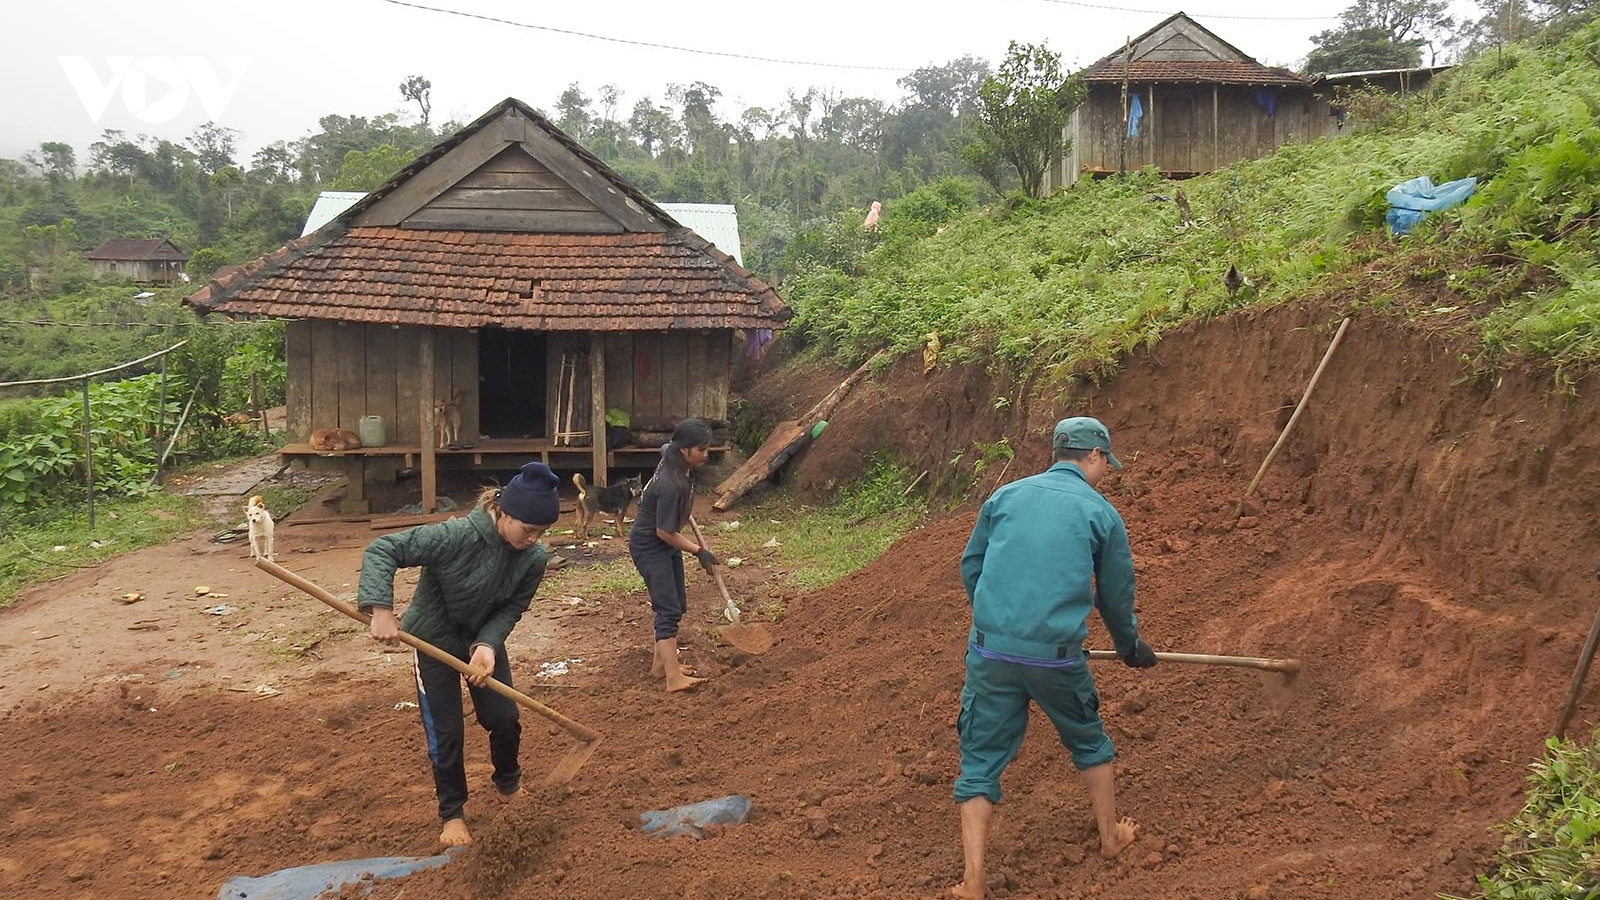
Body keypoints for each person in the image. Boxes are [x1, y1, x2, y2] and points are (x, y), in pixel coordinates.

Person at [950, 416, 1159, 900]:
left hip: (990, 650)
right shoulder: (1101, 513)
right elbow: (1114, 594)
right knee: (1088, 740)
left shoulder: (1005, 496)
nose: (1105, 470)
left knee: (979, 761)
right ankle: (1111, 838)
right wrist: (1130, 648)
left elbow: (972, 566)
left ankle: (974, 881)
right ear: (1094, 456)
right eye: (1106, 461)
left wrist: (997, 621)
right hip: (1056, 658)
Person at [356, 460, 560, 847]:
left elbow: (510, 609)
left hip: (481, 644)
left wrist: (486, 644)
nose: (533, 539)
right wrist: (381, 608)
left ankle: (509, 784)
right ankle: (452, 814)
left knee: (503, 717)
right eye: (528, 529)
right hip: (431, 643)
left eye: (541, 532)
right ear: (502, 511)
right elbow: (384, 548)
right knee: (446, 731)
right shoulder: (455, 536)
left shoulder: (533, 560)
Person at [629, 418, 719, 692]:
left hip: (664, 544)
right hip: (651, 545)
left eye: (707, 448)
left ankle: (660, 666)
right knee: (667, 609)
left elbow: (665, 446)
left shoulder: (671, 453)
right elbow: (664, 532)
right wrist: (699, 551)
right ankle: (673, 678)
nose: (706, 454)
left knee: (677, 604)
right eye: (701, 449)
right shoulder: (672, 484)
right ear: (685, 450)